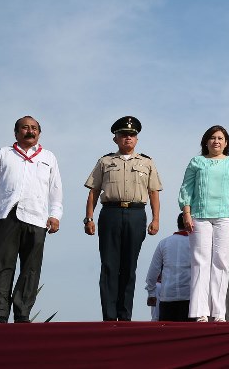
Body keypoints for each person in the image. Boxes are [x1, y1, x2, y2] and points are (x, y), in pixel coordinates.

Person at [0, 116, 63, 323]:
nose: (30, 131)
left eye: (34, 128)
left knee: (31, 268)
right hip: (7, 215)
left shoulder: (48, 157)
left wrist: (55, 214)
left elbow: (55, 188)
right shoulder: (4, 154)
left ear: (39, 133)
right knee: (2, 264)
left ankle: (22, 313)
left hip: (37, 217)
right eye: (25, 128)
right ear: (16, 133)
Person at [84, 116, 162, 321]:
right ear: (115, 138)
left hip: (136, 213)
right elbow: (94, 191)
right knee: (109, 265)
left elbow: (154, 192)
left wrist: (156, 219)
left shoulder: (147, 162)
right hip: (110, 213)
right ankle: (109, 316)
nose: (128, 138)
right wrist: (89, 218)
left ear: (136, 139)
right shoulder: (105, 161)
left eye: (132, 135)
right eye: (124, 135)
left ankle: (124, 315)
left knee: (129, 266)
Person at [178, 125, 229, 322]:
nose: (216, 141)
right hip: (199, 216)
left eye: (220, 138)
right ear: (206, 141)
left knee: (221, 262)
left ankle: (218, 312)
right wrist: (187, 213)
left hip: (225, 217)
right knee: (200, 261)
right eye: (212, 138)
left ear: (226, 143)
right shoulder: (197, 162)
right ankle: (200, 312)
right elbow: (186, 189)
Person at [145, 213, 192, 321]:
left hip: (167, 297)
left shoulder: (164, 243)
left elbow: (153, 272)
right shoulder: (196, 244)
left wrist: (151, 293)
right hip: (189, 298)